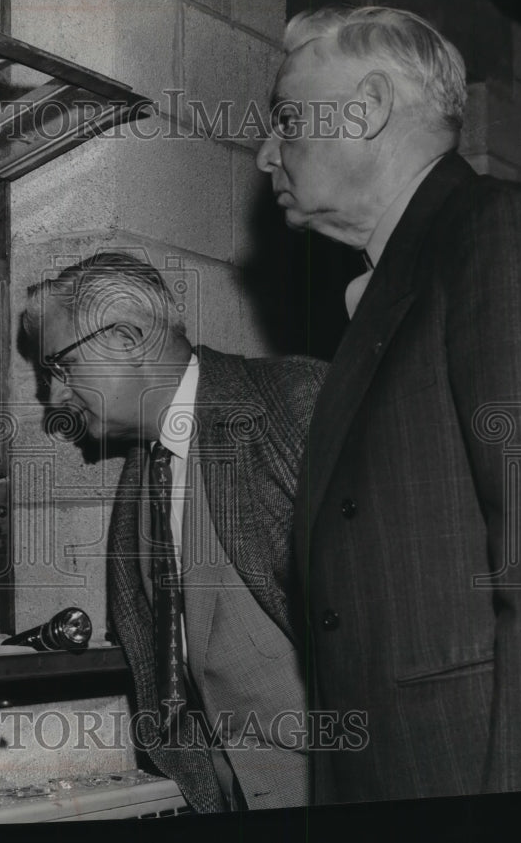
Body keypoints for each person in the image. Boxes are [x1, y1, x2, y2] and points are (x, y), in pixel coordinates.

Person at [256, 4, 521, 804]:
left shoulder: (501, 233)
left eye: (283, 116)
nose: (266, 150)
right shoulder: (402, 279)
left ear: (369, 107)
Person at [21, 251, 327, 812]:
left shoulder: (294, 401)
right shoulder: (144, 476)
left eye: (58, 369)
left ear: (124, 337)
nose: (52, 398)